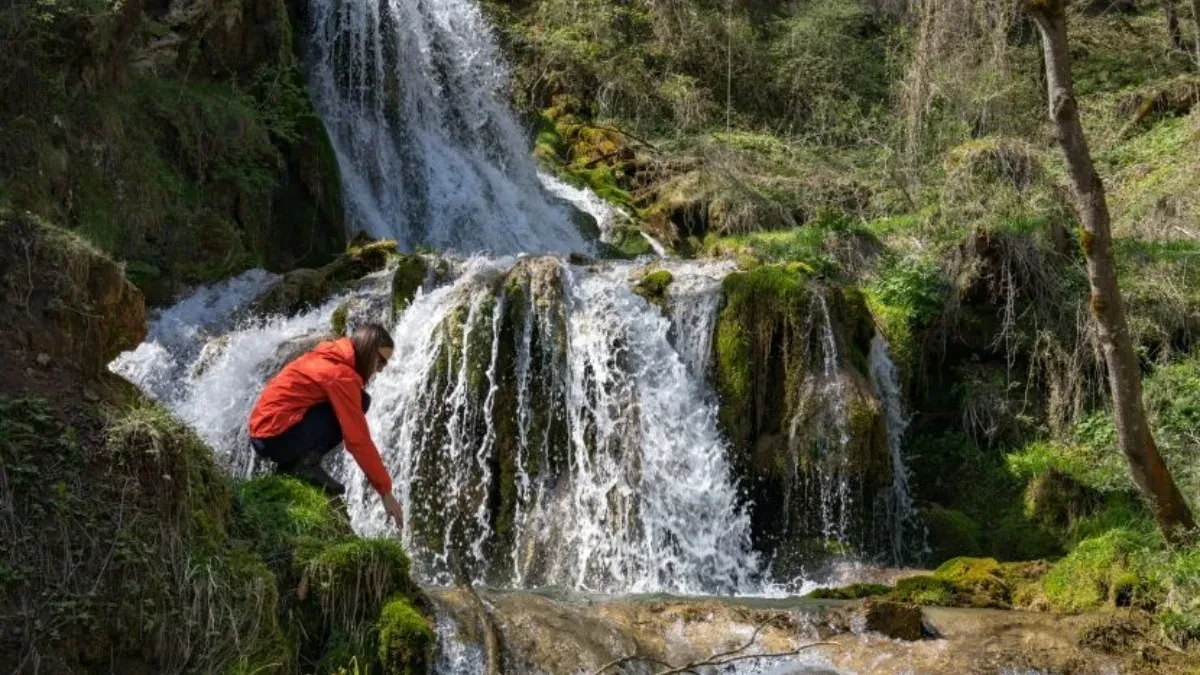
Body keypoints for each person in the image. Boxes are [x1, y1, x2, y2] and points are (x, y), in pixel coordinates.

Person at [248, 324, 404, 530]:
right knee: (359, 405)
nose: (382, 368)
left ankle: (293, 465)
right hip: (276, 437)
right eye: (381, 360)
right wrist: (386, 492)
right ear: (368, 352)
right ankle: (305, 465)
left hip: (265, 434)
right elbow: (358, 440)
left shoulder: (328, 356)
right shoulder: (341, 375)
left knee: (360, 400)